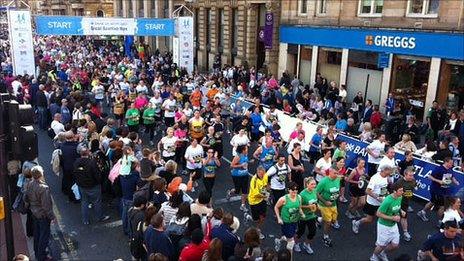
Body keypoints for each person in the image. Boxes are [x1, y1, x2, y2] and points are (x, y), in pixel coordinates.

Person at [23, 166, 55, 261]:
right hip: (42, 215)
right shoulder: (43, 188)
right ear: (41, 174)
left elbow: (25, 197)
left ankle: (37, 252)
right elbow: (46, 205)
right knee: (44, 235)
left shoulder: (29, 184)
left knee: (37, 234)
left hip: (34, 212)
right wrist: (51, 216)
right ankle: (42, 256)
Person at [73, 144, 110, 225]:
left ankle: (85, 220)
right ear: (87, 152)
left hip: (82, 186)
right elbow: (97, 175)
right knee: (97, 201)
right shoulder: (92, 163)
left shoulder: (76, 162)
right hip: (93, 186)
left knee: (84, 202)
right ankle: (99, 217)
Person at [417, 157, 460, 223]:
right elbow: (430, 176)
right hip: (437, 190)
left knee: (432, 201)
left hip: (444, 190)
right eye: (451, 163)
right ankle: (440, 222)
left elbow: (452, 176)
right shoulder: (439, 169)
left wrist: (455, 181)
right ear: (446, 162)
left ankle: (422, 212)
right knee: (442, 206)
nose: (452, 164)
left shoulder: (449, 168)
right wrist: (439, 181)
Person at [352, 166, 392, 235]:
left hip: (381, 202)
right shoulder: (375, 178)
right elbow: (367, 191)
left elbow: (384, 188)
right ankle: (356, 223)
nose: (390, 172)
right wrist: (377, 198)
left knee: (382, 216)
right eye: (389, 171)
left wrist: (386, 194)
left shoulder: (386, 177)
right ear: (384, 171)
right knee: (369, 219)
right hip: (372, 203)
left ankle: (384, 233)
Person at [370, 182, 404, 261]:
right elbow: (378, 213)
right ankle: (374, 256)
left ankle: (382, 253)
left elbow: (397, 206)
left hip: (393, 225)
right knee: (381, 245)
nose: (402, 192)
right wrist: (392, 218)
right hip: (384, 226)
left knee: (395, 245)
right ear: (394, 191)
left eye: (402, 190)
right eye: (400, 190)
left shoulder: (400, 197)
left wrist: (401, 211)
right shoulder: (387, 201)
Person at [274, 182, 305, 254]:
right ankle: (289, 257)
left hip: (294, 220)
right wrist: (279, 218)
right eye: (292, 190)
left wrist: (302, 214)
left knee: (289, 236)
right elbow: (276, 207)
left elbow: (299, 208)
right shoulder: (283, 199)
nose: (295, 191)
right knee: (291, 242)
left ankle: (279, 240)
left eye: (296, 190)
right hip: (286, 222)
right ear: (289, 190)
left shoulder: (299, 197)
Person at [316, 167, 341, 247]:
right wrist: (325, 201)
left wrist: (338, 195)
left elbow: (338, 189)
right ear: (329, 172)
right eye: (335, 173)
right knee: (328, 222)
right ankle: (325, 236)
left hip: (333, 204)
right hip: (324, 205)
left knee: (334, 219)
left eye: (337, 173)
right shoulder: (323, 182)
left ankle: (319, 219)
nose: (336, 175)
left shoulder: (338, 179)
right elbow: (316, 193)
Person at [295, 177, 317, 255]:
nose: (314, 186)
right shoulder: (302, 194)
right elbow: (298, 206)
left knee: (313, 232)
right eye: (312, 184)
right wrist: (308, 207)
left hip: (311, 216)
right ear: (307, 185)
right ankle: (296, 244)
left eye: (315, 184)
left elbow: (315, 202)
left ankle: (306, 244)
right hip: (302, 216)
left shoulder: (315, 191)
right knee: (300, 232)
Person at [394, 166, 416, 242]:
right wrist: (399, 207)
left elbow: (413, 188)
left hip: (405, 203)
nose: (412, 177)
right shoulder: (399, 182)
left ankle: (405, 232)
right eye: (410, 175)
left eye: (412, 175)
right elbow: (393, 193)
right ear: (405, 175)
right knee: (394, 217)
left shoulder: (413, 180)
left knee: (404, 217)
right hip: (397, 202)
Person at [248, 166, 269, 239]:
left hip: (262, 199)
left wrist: (267, 191)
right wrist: (265, 196)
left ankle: (257, 230)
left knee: (262, 216)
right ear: (257, 172)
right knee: (256, 219)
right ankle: (255, 225)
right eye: (261, 174)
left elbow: (266, 184)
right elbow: (256, 194)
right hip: (254, 201)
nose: (263, 176)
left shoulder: (265, 175)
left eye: (263, 174)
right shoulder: (254, 180)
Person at [227, 145, 249, 212]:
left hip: (245, 175)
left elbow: (245, 163)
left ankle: (242, 205)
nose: (247, 149)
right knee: (237, 191)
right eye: (246, 148)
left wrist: (249, 162)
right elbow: (231, 165)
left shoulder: (246, 155)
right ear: (243, 150)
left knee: (245, 191)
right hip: (237, 176)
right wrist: (241, 165)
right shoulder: (238, 157)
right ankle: (230, 192)